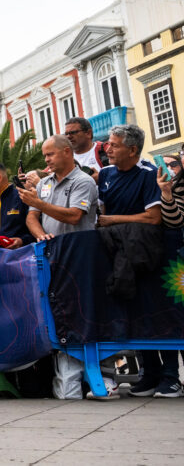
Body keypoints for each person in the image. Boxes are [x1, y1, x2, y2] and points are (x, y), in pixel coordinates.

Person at [95, 124, 175, 398]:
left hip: (147, 254)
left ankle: (171, 377)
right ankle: (149, 374)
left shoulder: (150, 175)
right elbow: (101, 212)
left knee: (157, 312)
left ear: (132, 149)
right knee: (133, 313)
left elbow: (154, 218)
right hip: (116, 253)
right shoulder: (104, 174)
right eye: (108, 144)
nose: (108, 149)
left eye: (114, 145)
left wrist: (113, 220)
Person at [21, 135, 98, 241]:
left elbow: (74, 216)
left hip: (78, 247)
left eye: (50, 154)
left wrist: (38, 203)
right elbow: (31, 217)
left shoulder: (83, 180)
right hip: (52, 249)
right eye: (45, 156)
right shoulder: (43, 183)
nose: (46, 160)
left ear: (66, 152)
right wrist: (42, 236)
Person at [63, 117, 108, 181]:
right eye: (66, 134)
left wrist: (101, 179)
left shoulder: (106, 150)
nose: (68, 136)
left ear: (88, 133)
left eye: (73, 132)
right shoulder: (64, 157)